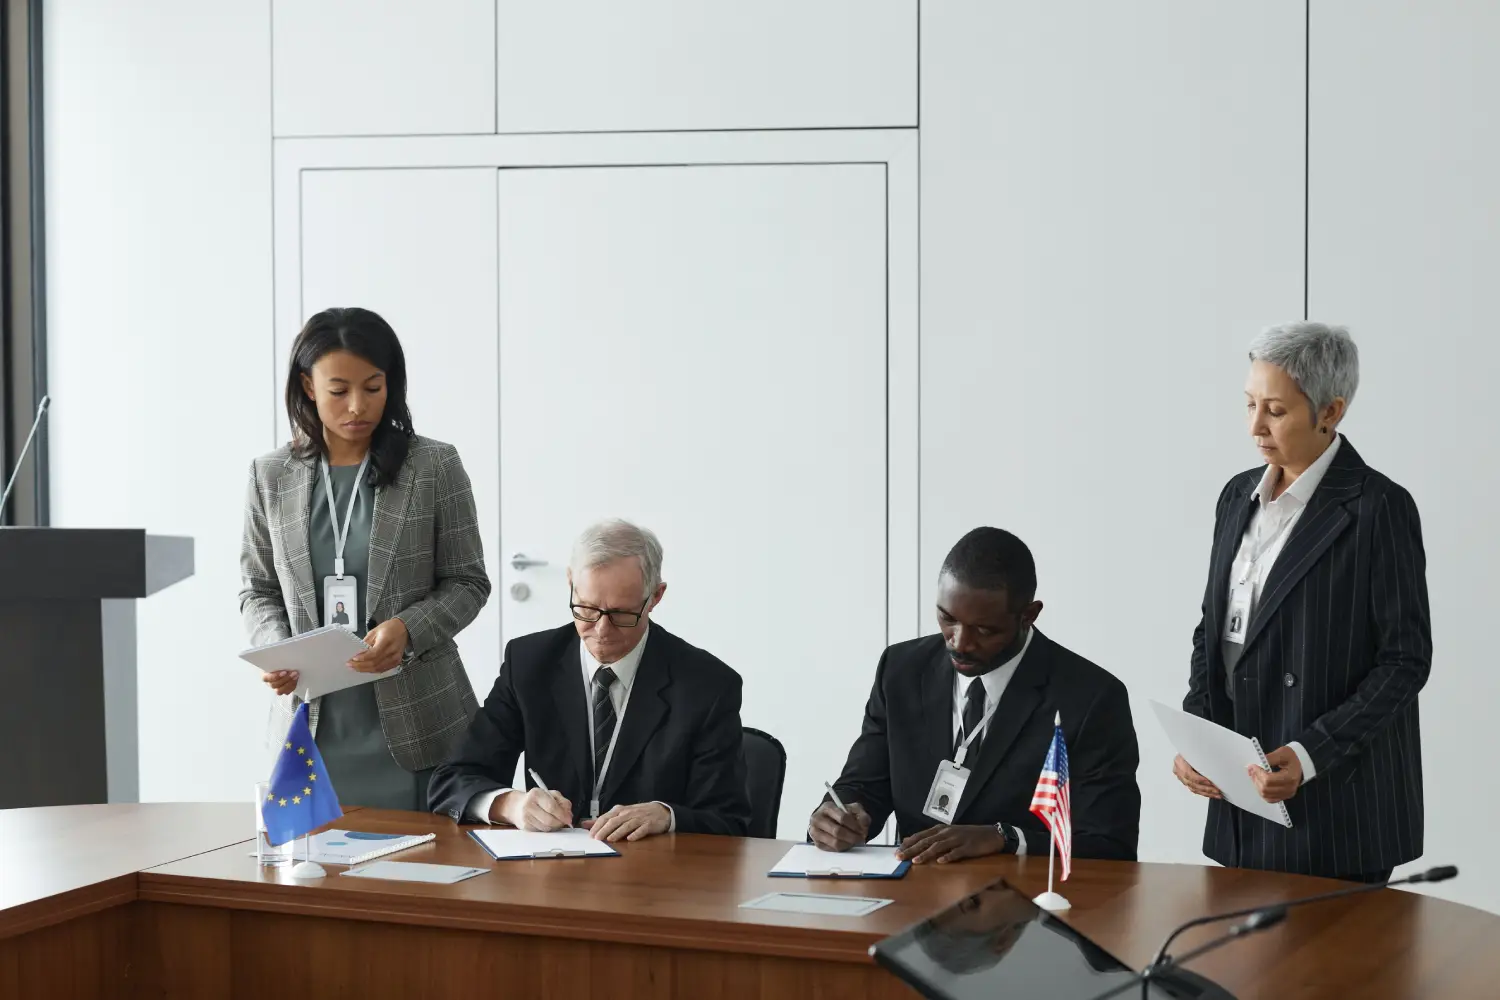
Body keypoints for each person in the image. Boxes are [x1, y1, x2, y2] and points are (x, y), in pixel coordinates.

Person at [1177, 322, 1431, 883]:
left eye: (1275, 410)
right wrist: (1199, 735)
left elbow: (1405, 661)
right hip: (1240, 804)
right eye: (1248, 404)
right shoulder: (1235, 495)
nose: (1254, 427)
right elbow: (1212, 632)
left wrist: (1311, 753)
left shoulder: (1378, 508)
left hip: (1338, 807)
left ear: (1330, 412)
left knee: (1333, 973)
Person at [240, 306, 491, 811]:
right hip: (312, 722)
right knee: (313, 878)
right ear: (308, 386)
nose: (358, 406)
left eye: (373, 388)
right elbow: (258, 589)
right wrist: (276, 648)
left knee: (424, 881)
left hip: (419, 724)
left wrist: (409, 628)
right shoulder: (270, 475)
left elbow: (468, 581)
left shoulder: (433, 466)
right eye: (339, 390)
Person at [810, 527, 1140, 864]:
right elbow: (865, 785)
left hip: (1025, 899)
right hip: (913, 894)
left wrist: (1006, 838)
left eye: (984, 630)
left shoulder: (1092, 698)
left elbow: (1110, 843)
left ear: (1029, 615)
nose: (959, 642)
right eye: (947, 618)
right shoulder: (901, 670)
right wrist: (839, 816)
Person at [429, 519, 751, 840]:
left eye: (621, 615)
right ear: (570, 582)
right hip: (551, 874)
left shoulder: (707, 686)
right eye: (586, 609)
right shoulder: (529, 664)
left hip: (654, 878)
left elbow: (730, 822)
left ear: (655, 597)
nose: (600, 631)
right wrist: (511, 805)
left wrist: (668, 816)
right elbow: (453, 780)